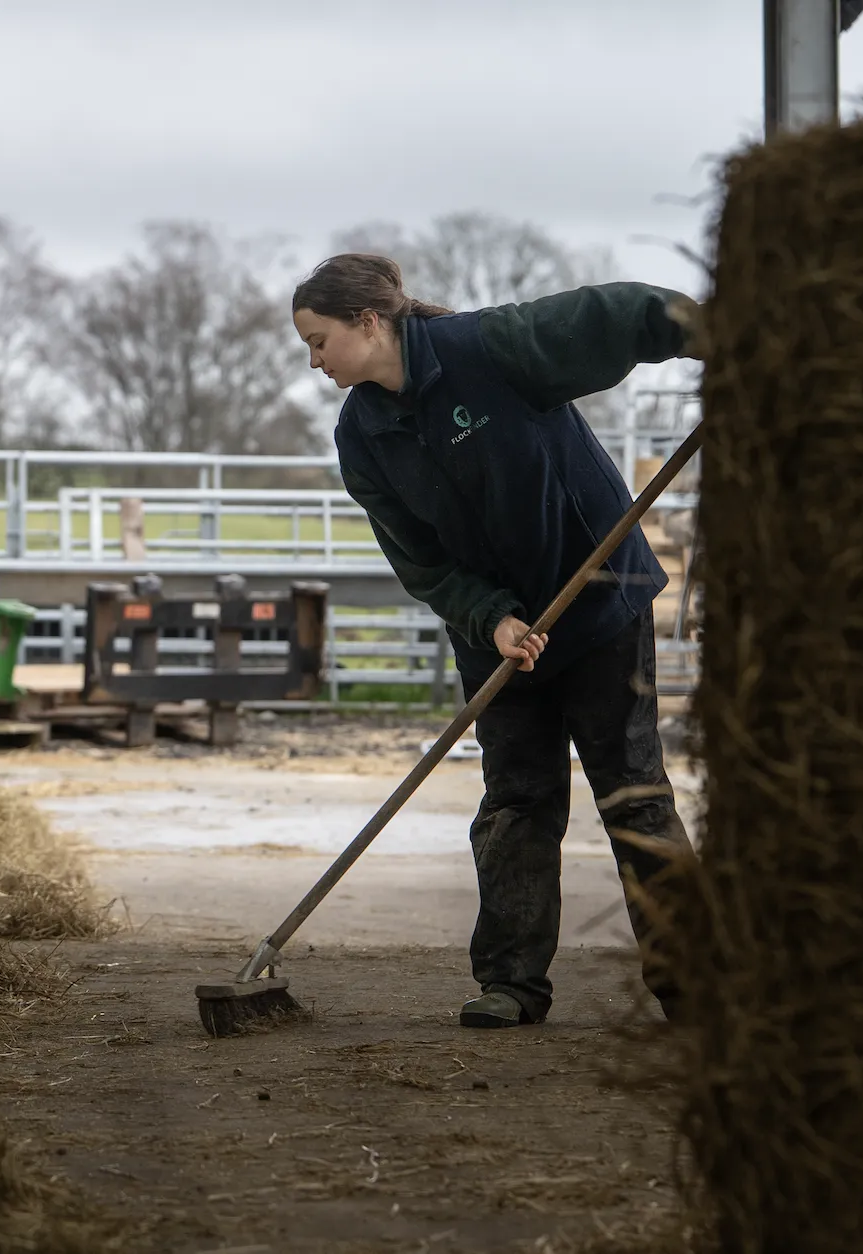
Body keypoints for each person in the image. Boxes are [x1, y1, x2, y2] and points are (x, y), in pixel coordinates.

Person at [290, 254, 698, 1029]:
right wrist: (492, 618)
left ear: (368, 323)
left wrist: (709, 334)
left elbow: (606, 315)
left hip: (598, 600)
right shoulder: (364, 435)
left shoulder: (489, 350)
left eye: (318, 341)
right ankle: (511, 983)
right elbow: (419, 560)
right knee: (516, 798)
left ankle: (695, 984)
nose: (315, 362)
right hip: (498, 636)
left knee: (633, 793)